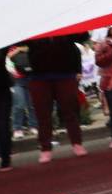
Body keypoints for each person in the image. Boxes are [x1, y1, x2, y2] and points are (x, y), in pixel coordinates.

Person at [26, 33, 89, 163]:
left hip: (65, 74)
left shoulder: (64, 23)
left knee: (70, 110)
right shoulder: (33, 24)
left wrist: (77, 70)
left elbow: (83, 36)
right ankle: (45, 148)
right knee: (43, 114)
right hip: (39, 76)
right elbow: (18, 41)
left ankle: (77, 143)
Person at [6, 45, 39, 140]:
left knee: (32, 104)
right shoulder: (5, 45)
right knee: (19, 104)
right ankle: (17, 128)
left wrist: (19, 49)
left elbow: (31, 48)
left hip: (30, 77)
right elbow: (6, 56)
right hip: (16, 79)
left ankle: (34, 126)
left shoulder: (24, 43)